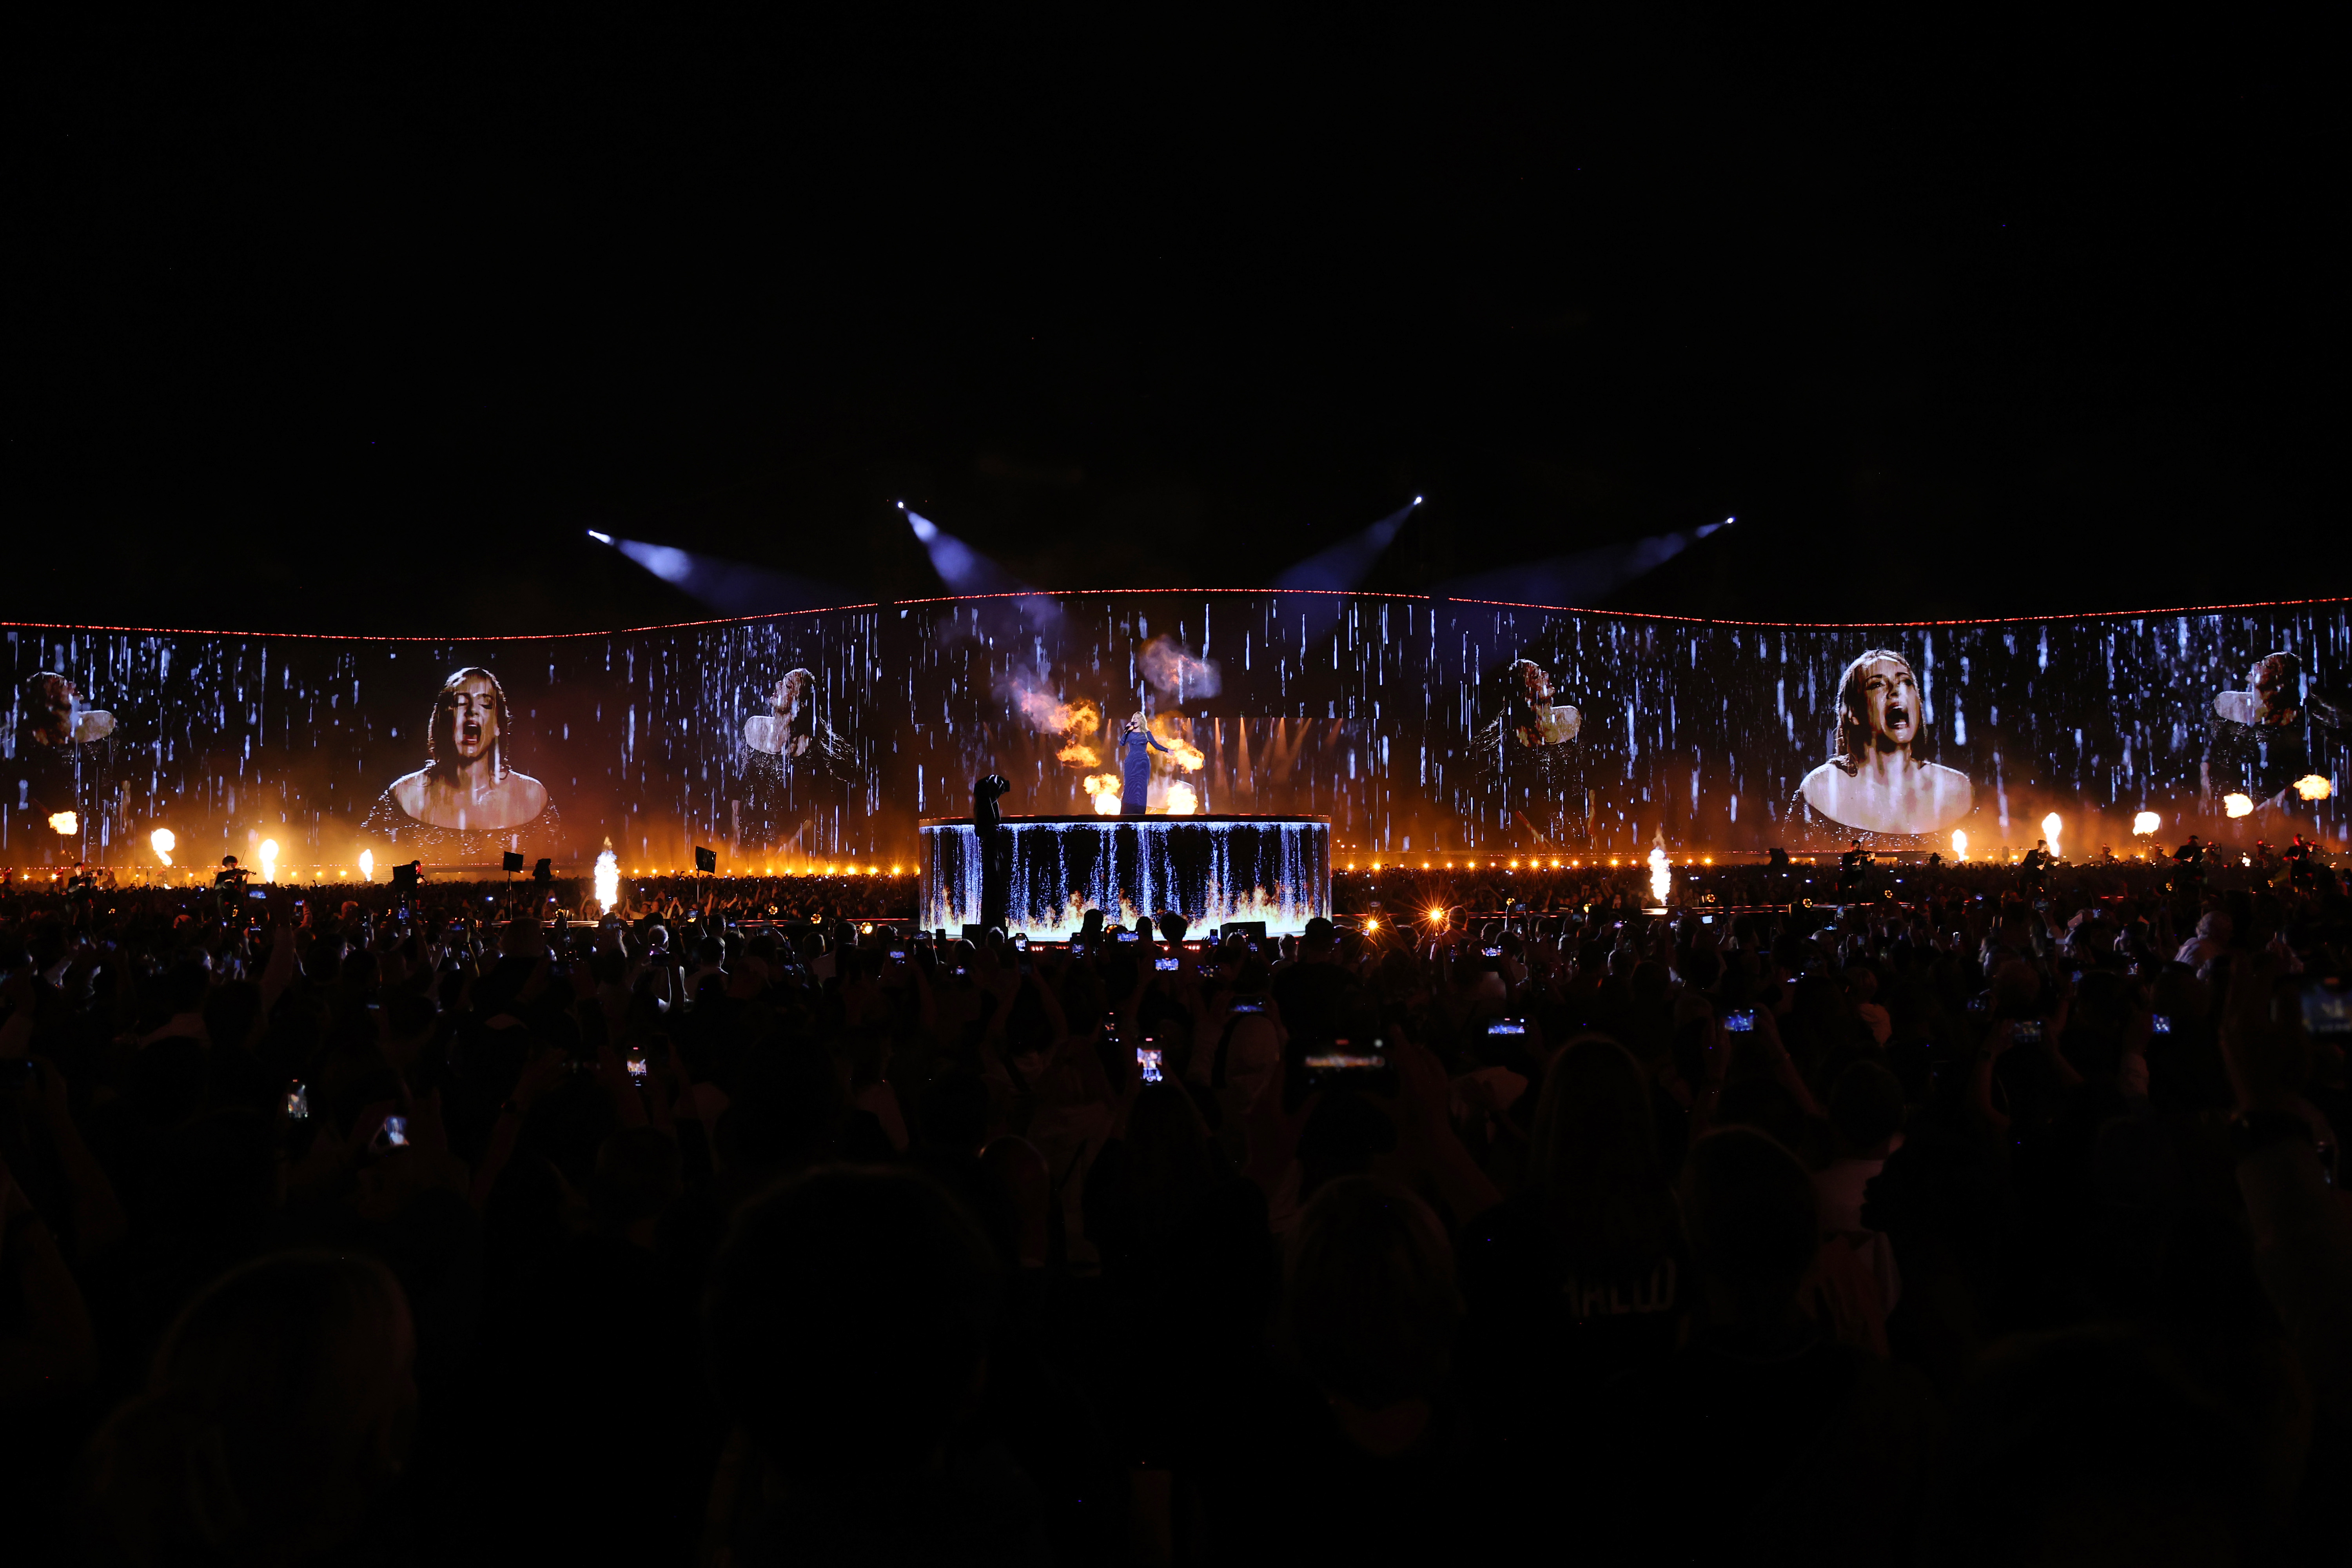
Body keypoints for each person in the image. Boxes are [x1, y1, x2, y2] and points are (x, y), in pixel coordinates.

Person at [360, 667, 557, 861]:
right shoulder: (404, 795)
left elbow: (559, 867)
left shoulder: (532, 797)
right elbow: (364, 860)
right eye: (461, 703)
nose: (472, 712)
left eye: (486, 704)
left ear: (498, 725)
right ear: (443, 720)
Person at [1796, 649, 1972, 837]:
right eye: (1877, 684)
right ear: (1853, 713)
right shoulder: (1822, 787)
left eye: (1906, 682)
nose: (1897, 691)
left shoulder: (1954, 788)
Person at [2204, 650, 2342, 812]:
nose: (2256, 666)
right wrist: (2205, 784)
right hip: (2223, 796)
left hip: (2262, 804)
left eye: (2267, 666)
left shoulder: (2299, 721)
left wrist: (2279, 797)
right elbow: (2208, 750)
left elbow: (2305, 766)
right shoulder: (2226, 703)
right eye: (2261, 662)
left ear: (2280, 682)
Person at [1484, 658, 1587, 849]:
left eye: (1542, 671)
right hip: (1541, 844)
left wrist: (1592, 823)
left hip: (1581, 832)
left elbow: (1592, 776)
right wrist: (1534, 834)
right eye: (1536, 676)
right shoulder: (1512, 742)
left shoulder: (1572, 717)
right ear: (1526, 696)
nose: (1546, 676)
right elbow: (1506, 799)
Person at [1115, 711, 1171, 817]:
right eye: (1134, 718)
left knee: (1141, 786)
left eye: (1138, 718)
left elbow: (1156, 745)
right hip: (1131, 761)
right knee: (1129, 785)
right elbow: (1122, 743)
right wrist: (1127, 731)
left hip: (1142, 762)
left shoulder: (1147, 733)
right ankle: (1127, 811)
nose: (1135, 720)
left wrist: (1167, 750)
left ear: (1142, 721)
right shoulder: (1130, 733)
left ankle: (1139, 812)